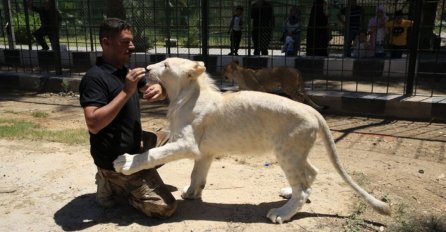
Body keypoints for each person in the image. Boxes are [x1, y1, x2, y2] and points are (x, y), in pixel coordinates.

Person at [78, 18, 177, 218]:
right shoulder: (94, 78)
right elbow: (94, 124)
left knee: (178, 138)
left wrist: (160, 89)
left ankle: (119, 180)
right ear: (106, 43)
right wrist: (126, 91)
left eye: (131, 41)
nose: (132, 46)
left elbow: (151, 88)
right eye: (125, 42)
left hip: (136, 147)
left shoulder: (125, 71)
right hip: (116, 160)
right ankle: (115, 185)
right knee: (166, 207)